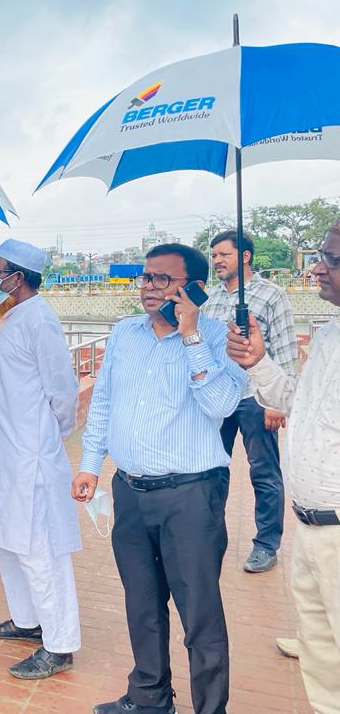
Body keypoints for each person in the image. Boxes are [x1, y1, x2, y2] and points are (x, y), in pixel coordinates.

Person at [72, 243, 247, 714]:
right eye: (146, 277)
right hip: (130, 490)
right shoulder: (125, 332)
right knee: (142, 603)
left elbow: (221, 405)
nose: (149, 287)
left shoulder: (220, 338)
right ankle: (149, 696)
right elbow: (103, 401)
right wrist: (90, 463)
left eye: (163, 279)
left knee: (199, 611)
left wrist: (191, 336)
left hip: (191, 495)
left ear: (195, 288)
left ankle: (210, 708)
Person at [225, 221, 340, 714]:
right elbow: (297, 399)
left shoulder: (275, 298)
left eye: (333, 260)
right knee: (321, 654)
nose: (318, 269)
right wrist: (258, 362)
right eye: (321, 256)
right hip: (311, 528)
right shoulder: (331, 334)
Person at [0, 239, 81, 680]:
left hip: (29, 458)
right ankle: (27, 620)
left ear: (17, 277)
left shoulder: (40, 320)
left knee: (39, 551)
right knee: (8, 541)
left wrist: (45, 439)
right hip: (2, 456)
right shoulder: (14, 316)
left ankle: (60, 644)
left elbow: (62, 394)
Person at [202, 230, 297, 573]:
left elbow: (285, 348)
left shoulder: (271, 295)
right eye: (214, 255)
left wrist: (276, 403)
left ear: (245, 256)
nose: (217, 261)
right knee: (211, 470)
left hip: (256, 396)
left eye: (223, 254)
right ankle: (209, 538)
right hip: (220, 398)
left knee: (264, 472)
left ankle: (266, 544)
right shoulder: (210, 299)